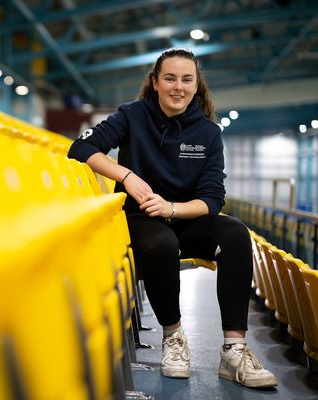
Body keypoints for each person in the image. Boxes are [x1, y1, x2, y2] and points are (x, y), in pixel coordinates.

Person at [68, 48, 277, 388]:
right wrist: (126, 176)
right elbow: (80, 149)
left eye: (186, 79)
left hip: (186, 216)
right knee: (162, 244)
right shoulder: (133, 115)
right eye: (169, 78)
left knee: (237, 234)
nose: (177, 87)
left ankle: (234, 349)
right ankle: (173, 338)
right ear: (155, 82)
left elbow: (212, 200)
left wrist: (173, 209)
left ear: (196, 86)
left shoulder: (209, 133)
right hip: (142, 217)